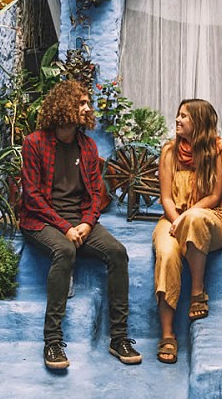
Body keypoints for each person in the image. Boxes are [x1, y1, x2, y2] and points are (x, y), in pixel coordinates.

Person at [19, 79, 142, 369]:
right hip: (42, 220)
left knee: (117, 252)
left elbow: (96, 193)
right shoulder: (35, 143)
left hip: (78, 221)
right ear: (64, 106)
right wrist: (65, 227)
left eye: (88, 103)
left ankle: (119, 338)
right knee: (65, 251)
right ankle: (52, 342)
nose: (88, 108)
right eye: (81, 102)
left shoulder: (87, 146)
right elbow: (33, 197)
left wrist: (87, 224)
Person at [152, 98, 222, 364]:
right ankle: (167, 334)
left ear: (199, 122)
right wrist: (175, 221)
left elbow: (216, 196)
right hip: (171, 219)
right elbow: (167, 197)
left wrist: (187, 217)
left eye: (184, 116)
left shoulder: (219, 150)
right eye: (178, 115)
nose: (177, 120)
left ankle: (197, 291)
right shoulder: (169, 152)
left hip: (211, 219)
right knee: (168, 255)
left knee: (194, 218)